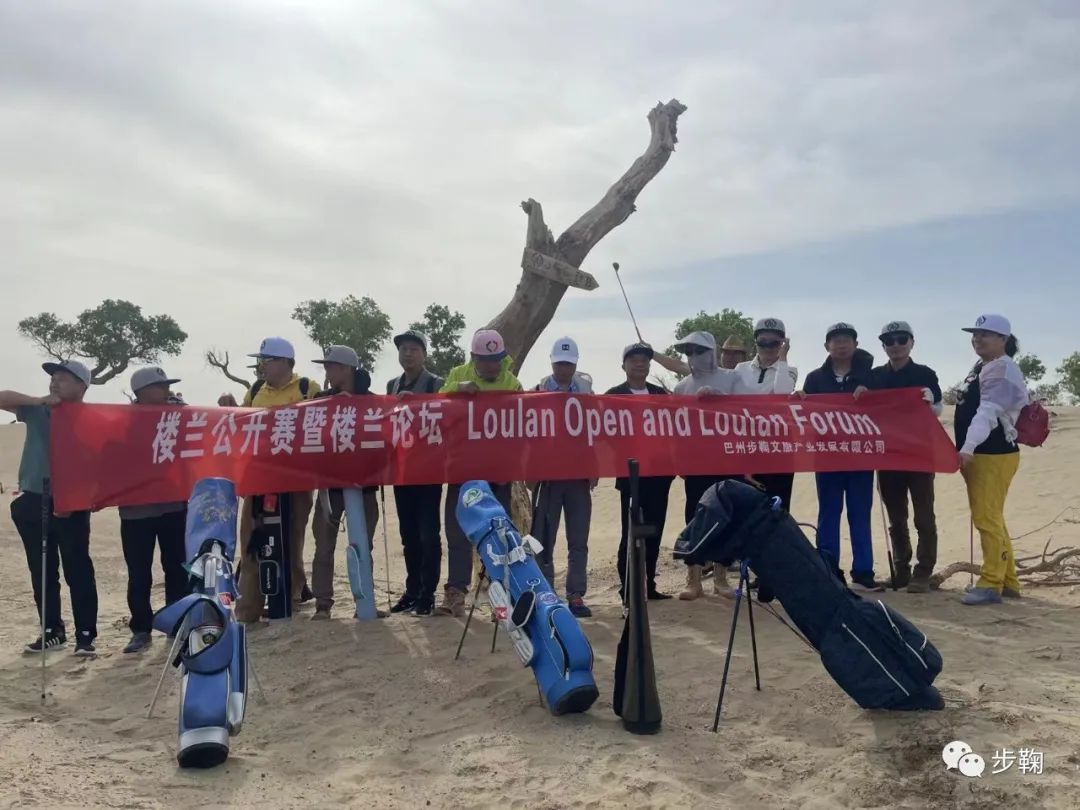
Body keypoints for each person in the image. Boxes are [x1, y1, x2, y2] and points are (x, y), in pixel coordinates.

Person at [1, 360, 98, 655]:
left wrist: (79, 498)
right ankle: (52, 630)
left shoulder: (93, 418)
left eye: (63, 378)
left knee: (78, 570)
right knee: (42, 570)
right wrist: (38, 400)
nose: (55, 382)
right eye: (53, 378)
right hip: (34, 498)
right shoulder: (38, 410)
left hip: (72, 503)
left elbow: (99, 465)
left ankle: (85, 635)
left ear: (82, 385)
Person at [234, 337, 321, 624]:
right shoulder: (255, 391)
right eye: (261, 360)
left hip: (296, 479)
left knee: (291, 538)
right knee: (251, 540)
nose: (262, 366)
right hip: (259, 479)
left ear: (285, 362)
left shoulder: (307, 389)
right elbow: (240, 424)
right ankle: (248, 606)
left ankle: (289, 597)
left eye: (267, 360)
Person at [436, 329, 522, 617]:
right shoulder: (457, 374)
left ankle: (500, 595)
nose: (492, 366)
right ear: (474, 357)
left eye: (497, 359)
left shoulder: (511, 382)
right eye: (486, 360)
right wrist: (456, 389)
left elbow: (522, 424)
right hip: (462, 469)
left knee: (498, 535)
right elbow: (437, 404)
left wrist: (511, 466)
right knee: (457, 532)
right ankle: (455, 593)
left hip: (497, 472)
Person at [799, 323, 884, 592]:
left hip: (861, 456)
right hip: (827, 457)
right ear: (827, 346)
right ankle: (828, 570)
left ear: (856, 344)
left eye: (847, 339)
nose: (842, 344)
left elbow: (884, 409)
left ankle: (863, 572)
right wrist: (800, 399)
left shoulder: (869, 376)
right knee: (828, 514)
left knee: (860, 515)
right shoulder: (815, 378)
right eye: (836, 340)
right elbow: (806, 415)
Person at [954, 314, 1029, 606]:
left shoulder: (1003, 369)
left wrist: (968, 447)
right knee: (993, 516)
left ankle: (990, 583)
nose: (977, 339)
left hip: (992, 453)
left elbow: (987, 412)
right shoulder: (984, 365)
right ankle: (1008, 580)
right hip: (981, 453)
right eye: (975, 334)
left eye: (985, 334)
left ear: (1003, 340)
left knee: (986, 518)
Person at [308, 345, 381, 620]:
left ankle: (366, 601)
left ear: (346, 369)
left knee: (364, 545)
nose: (326, 371)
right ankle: (322, 603)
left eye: (331, 366)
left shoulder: (371, 402)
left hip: (364, 487)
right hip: (330, 486)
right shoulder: (319, 402)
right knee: (323, 546)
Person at [119, 366, 189, 653]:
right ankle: (141, 629)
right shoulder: (122, 421)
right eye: (160, 387)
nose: (166, 391)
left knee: (177, 568)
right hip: (135, 512)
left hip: (173, 506)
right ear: (142, 392)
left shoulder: (177, 415)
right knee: (139, 573)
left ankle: (177, 622)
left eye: (167, 386)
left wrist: (181, 410)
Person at [869, 321, 943, 593]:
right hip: (888, 456)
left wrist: (930, 403)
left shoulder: (925, 374)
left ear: (912, 342)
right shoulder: (875, 376)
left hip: (919, 454)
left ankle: (923, 572)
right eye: (889, 341)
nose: (896, 345)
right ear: (883, 346)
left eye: (902, 339)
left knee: (924, 516)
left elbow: (938, 408)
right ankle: (901, 570)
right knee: (896, 519)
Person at [531, 337, 596, 618]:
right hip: (548, 478)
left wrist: (593, 467)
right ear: (552, 362)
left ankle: (576, 594)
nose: (563, 368)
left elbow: (595, 433)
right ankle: (546, 592)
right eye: (559, 363)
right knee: (544, 538)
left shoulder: (587, 393)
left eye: (568, 364)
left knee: (578, 539)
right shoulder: (537, 392)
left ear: (575, 364)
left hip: (578, 477)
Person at [672, 331, 738, 599]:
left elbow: (747, 411)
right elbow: (677, 426)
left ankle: (721, 577)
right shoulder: (682, 387)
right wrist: (679, 459)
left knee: (726, 514)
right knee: (695, 516)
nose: (693, 356)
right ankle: (694, 578)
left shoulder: (731, 378)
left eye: (698, 350)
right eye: (688, 352)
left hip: (727, 458)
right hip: (696, 461)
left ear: (711, 351)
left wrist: (722, 400)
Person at [607, 343, 676, 600]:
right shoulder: (613, 396)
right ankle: (628, 587)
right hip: (631, 476)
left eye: (644, 360)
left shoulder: (661, 395)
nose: (639, 364)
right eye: (634, 359)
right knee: (631, 531)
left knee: (654, 530)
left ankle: (649, 584)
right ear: (623, 365)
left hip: (659, 476)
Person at [386, 329, 445, 617]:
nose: (408, 354)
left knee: (428, 535)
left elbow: (446, 419)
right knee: (408, 535)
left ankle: (427, 593)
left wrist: (418, 403)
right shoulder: (392, 385)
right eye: (403, 349)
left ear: (424, 354)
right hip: (402, 471)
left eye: (414, 349)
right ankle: (412, 591)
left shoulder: (435, 383)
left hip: (429, 471)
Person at [733, 318, 799, 508]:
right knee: (745, 507)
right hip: (746, 445)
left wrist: (783, 358)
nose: (768, 347)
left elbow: (781, 392)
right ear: (755, 342)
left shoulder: (789, 370)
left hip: (778, 447)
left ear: (783, 344)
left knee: (778, 506)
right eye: (763, 342)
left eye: (774, 343)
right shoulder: (740, 369)